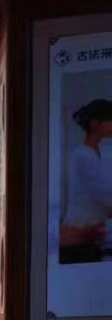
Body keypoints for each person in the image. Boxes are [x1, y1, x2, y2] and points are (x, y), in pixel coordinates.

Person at [61, 98, 112, 264]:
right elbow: (104, 195)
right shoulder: (83, 156)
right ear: (95, 125)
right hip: (78, 242)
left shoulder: (95, 154)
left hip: (90, 237)